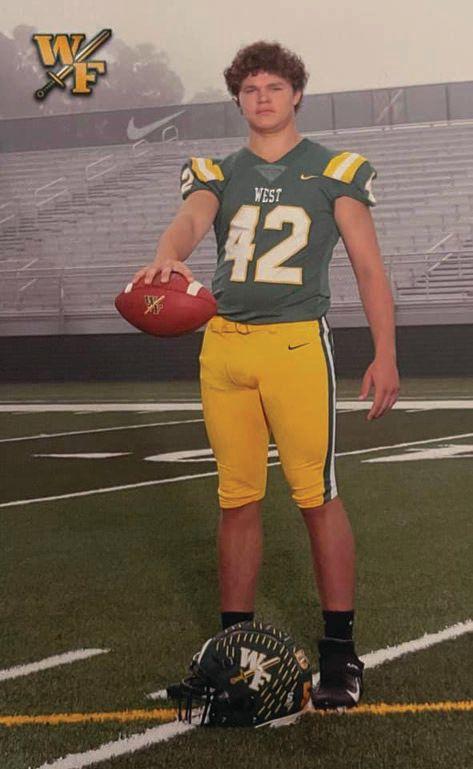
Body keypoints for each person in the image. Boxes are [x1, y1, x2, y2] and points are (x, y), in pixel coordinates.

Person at [133, 40, 400, 710]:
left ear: (296, 94)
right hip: (224, 347)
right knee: (236, 500)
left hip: (294, 346)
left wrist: (386, 352)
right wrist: (166, 254)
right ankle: (231, 656)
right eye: (250, 89)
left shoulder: (333, 170)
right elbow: (191, 220)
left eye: (274, 87)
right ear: (238, 99)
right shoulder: (219, 171)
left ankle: (339, 652)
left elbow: (368, 267)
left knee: (316, 497)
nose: (262, 98)